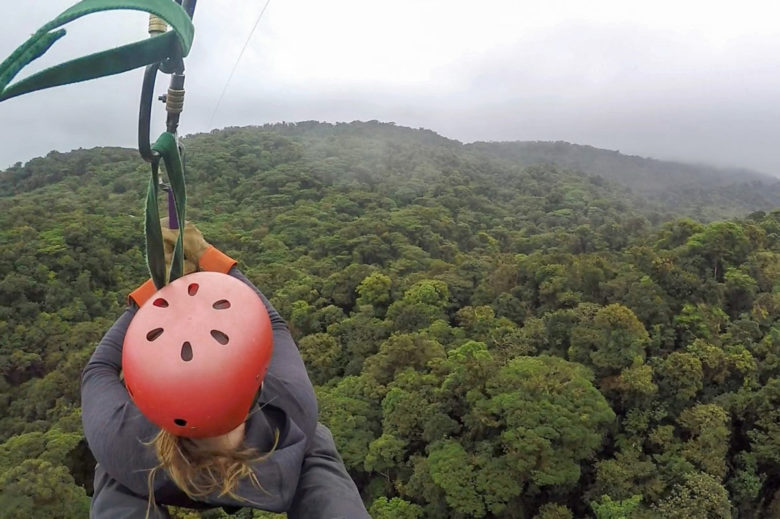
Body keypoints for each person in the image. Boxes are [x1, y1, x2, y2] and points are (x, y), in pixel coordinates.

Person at [81, 220, 370, 518]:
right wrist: (206, 255)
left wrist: (154, 295)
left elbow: (99, 369)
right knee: (312, 443)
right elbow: (274, 326)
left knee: (114, 472)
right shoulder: (292, 405)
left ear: (150, 402)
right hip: (274, 454)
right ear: (259, 386)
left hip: (151, 469)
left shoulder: (124, 439)